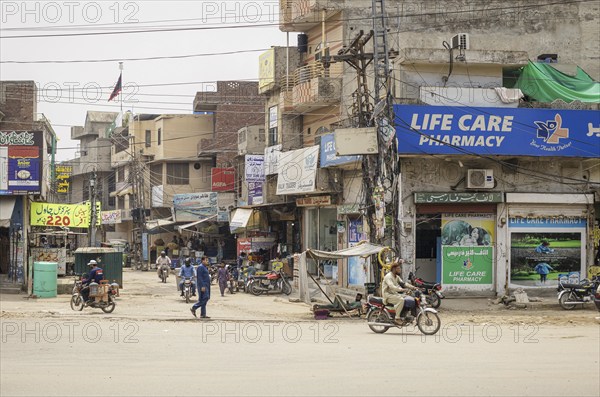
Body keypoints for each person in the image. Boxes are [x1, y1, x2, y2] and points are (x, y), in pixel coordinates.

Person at [382, 259, 417, 324]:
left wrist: (413, 287)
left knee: (408, 297)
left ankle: (405, 315)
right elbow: (392, 287)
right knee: (401, 300)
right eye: (398, 268)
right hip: (387, 295)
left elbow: (403, 284)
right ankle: (397, 318)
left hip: (393, 293)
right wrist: (402, 290)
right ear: (394, 269)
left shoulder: (396, 277)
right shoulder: (388, 277)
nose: (400, 270)